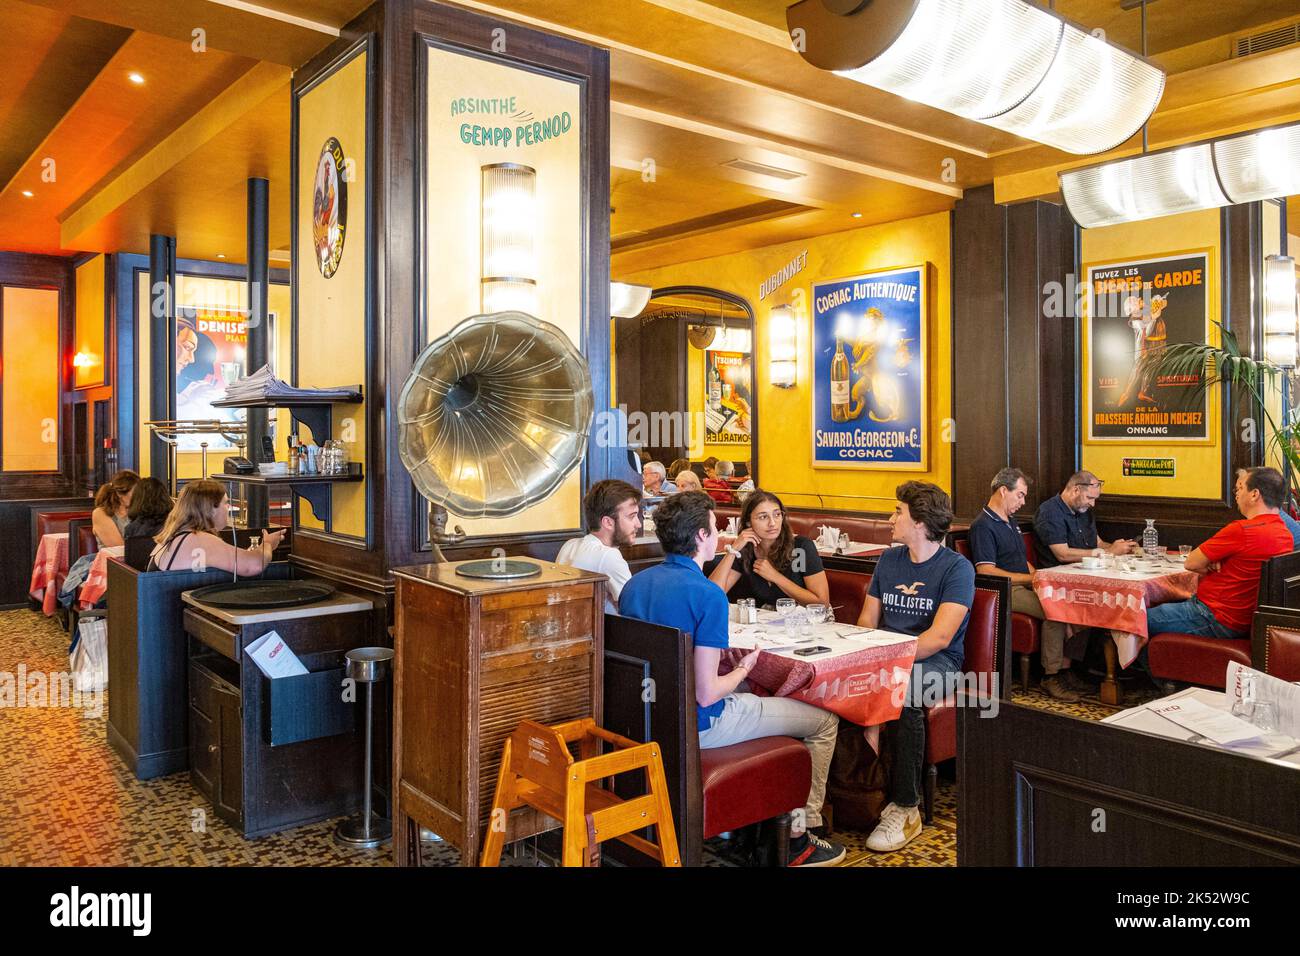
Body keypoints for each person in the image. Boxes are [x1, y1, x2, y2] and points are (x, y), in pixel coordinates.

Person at [619, 491, 845, 866]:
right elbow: (708, 693)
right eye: (713, 528)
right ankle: (797, 836)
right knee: (824, 720)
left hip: (648, 719)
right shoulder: (708, 595)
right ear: (700, 537)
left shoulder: (636, 584)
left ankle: (750, 826)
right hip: (701, 724)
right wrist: (744, 668)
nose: (718, 535)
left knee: (759, 696)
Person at [856, 481, 973, 853]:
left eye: (898, 512)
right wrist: (859, 659)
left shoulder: (957, 569)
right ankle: (850, 792)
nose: (891, 518)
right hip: (886, 655)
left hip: (939, 662)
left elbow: (939, 638)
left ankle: (907, 807)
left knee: (902, 692)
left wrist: (886, 663)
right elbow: (866, 623)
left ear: (920, 522)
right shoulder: (889, 561)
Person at [969, 468, 1087, 702]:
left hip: (1024, 584)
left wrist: (1040, 576)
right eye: (1020, 495)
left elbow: (1021, 560)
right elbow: (986, 570)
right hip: (1003, 591)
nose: (1023, 502)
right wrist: (1032, 580)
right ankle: (1050, 676)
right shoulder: (983, 525)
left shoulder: (1010, 522)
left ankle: (1067, 669)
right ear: (1003, 490)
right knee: (1054, 610)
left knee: (1077, 601)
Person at [1147, 467, 1292, 640]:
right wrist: (1217, 561)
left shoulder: (1242, 530)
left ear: (1254, 494)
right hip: (1245, 620)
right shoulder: (1285, 534)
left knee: (1134, 621)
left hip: (1213, 617)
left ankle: (1155, 667)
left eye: (1239, 489)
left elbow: (1191, 563)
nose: (1236, 495)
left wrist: (1211, 561)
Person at [709, 489, 830, 607]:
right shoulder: (746, 550)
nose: (772, 523)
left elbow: (821, 603)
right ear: (748, 522)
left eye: (777, 514)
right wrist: (733, 549)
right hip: (765, 624)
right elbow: (711, 595)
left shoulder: (800, 548)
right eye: (763, 517)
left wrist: (775, 576)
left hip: (804, 623)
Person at [149, 479, 285, 575]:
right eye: (225, 503)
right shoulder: (198, 539)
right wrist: (267, 544)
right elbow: (254, 565)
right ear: (211, 509)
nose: (228, 508)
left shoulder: (176, 534)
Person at [556, 479, 641, 613]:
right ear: (608, 522)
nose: (638, 524)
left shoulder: (569, 545)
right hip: (602, 633)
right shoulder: (609, 556)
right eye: (632, 517)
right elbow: (634, 610)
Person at [1032, 471, 1134, 567]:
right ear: (1076, 490)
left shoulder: (1084, 509)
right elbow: (1063, 554)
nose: (1092, 504)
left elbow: (1098, 543)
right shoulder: (1050, 511)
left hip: (1091, 568)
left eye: (1095, 499)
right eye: (1089, 498)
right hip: (1060, 574)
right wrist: (1109, 552)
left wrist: (1123, 548)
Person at [91, 470, 140, 548]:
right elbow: (119, 548)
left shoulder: (139, 511)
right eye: (135, 492)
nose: (139, 496)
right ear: (119, 493)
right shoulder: (100, 513)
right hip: (111, 559)